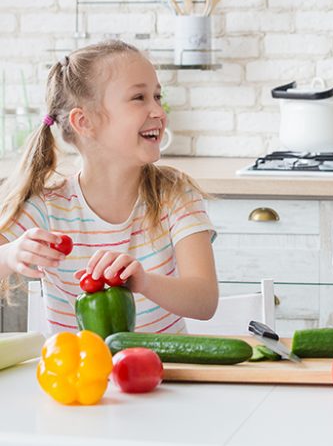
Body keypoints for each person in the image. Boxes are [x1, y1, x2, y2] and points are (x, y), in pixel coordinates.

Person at [0, 40, 218, 334]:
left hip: (163, 372)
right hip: (78, 373)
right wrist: (10, 254)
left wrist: (144, 281)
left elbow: (204, 301)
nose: (158, 111)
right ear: (84, 122)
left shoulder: (174, 194)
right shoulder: (49, 205)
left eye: (157, 96)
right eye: (139, 97)